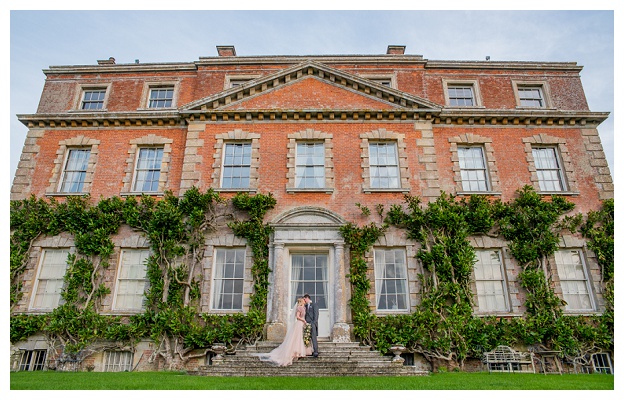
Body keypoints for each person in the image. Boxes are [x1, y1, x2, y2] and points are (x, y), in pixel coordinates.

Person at [256, 297, 311, 366]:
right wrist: (303, 320)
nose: (304, 301)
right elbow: (297, 316)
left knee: (301, 338)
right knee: (297, 338)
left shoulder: (304, 307)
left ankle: (300, 352)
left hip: (302, 324)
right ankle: (296, 352)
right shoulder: (299, 308)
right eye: (303, 300)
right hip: (299, 323)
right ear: (301, 301)